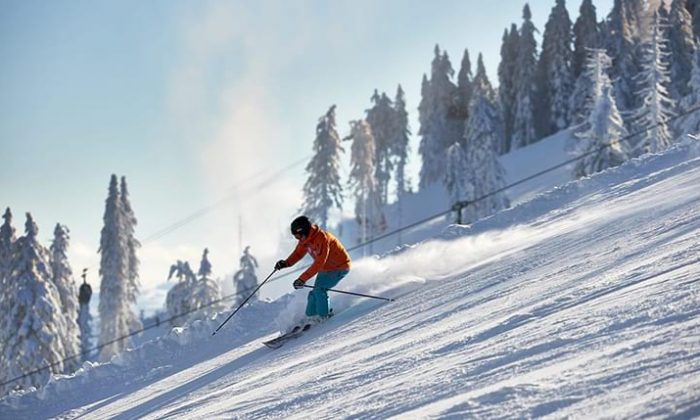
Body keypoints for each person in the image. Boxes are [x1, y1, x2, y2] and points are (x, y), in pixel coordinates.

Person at [275, 216, 351, 322]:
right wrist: (286, 263)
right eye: (296, 237)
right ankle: (311, 317)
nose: (298, 239)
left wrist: (302, 279)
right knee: (314, 293)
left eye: (298, 236)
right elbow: (297, 254)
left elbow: (319, 262)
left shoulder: (322, 238)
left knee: (319, 290)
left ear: (304, 231)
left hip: (339, 267)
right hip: (326, 269)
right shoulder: (305, 240)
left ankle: (325, 317)